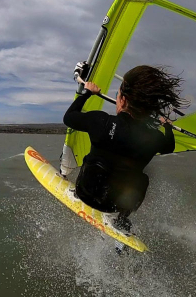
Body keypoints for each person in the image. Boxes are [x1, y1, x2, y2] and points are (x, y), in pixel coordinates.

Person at [62, 65, 186, 233]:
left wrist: (86, 93)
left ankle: (77, 194)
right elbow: (169, 147)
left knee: (94, 160)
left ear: (124, 100)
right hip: (114, 206)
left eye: (118, 95)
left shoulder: (101, 121)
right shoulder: (155, 137)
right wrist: (168, 127)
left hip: (85, 192)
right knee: (143, 179)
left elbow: (69, 118)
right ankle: (121, 218)